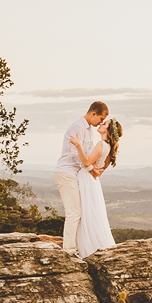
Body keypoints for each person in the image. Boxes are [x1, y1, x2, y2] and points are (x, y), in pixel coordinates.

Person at [54, 101, 109, 255]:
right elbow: (74, 153)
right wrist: (91, 169)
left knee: (80, 213)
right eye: (101, 118)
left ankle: (77, 247)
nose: (101, 122)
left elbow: (88, 154)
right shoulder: (77, 127)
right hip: (66, 172)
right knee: (74, 212)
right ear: (93, 114)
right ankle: (70, 251)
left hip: (75, 174)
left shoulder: (90, 130)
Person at [69, 117, 123, 257]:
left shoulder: (101, 144)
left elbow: (87, 162)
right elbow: (99, 170)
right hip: (92, 181)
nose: (101, 124)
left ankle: (85, 248)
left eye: (104, 124)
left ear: (108, 130)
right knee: (90, 213)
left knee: (85, 213)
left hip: (87, 179)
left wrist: (78, 145)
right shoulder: (108, 147)